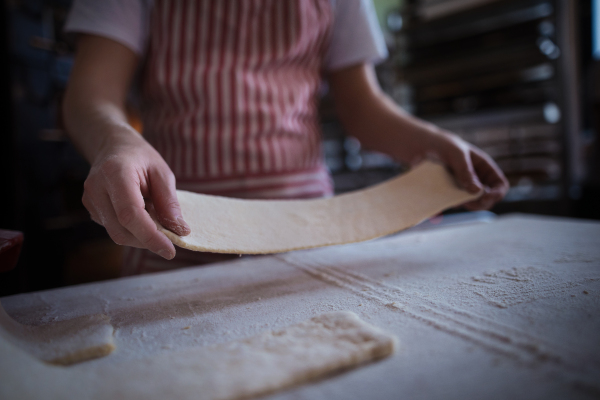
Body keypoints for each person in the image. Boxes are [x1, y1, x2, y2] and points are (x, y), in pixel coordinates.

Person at [63, 0, 509, 275]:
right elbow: (90, 96)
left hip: (312, 238)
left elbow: (363, 108)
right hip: (173, 238)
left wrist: (431, 144)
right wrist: (115, 140)